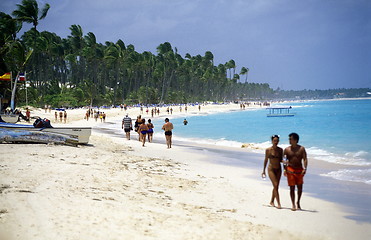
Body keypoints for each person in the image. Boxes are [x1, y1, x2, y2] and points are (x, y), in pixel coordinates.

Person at [284, 133, 308, 211]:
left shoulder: (301, 149)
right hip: (290, 169)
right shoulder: (287, 149)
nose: (289, 140)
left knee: (300, 188)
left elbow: (305, 159)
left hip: (299, 170)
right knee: (292, 188)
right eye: (289, 139)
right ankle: (293, 204)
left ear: (295, 140)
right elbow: (285, 160)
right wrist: (284, 169)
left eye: (290, 139)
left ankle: (298, 202)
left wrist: (305, 168)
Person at [262, 135, 283, 209]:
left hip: (279, 169)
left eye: (277, 140)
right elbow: (266, 160)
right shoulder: (268, 150)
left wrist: (286, 166)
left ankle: (272, 201)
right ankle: (279, 203)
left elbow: (281, 160)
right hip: (271, 169)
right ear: (272, 141)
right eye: (274, 140)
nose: (276, 142)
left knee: (276, 186)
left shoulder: (280, 150)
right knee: (276, 185)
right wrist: (263, 170)